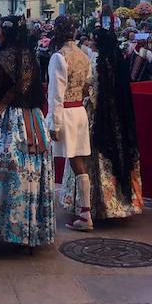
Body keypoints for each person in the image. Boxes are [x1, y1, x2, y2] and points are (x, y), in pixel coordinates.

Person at [0, 15, 54, 247]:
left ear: (6, 32)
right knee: (32, 172)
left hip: (5, 120)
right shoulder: (33, 58)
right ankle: (28, 228)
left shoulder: (2, 57)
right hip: (32, 121)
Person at [62, 27, 143, 222]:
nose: (91, 43)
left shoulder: (99, 62)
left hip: (98, 116)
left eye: (93, 40)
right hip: (117, 118)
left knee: (90, 157)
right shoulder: (117, 61)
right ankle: (122, 202)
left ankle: (98, 204)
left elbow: (94, 91)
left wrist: (84, 95)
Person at [47, 15, 94, 231]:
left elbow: (55, 94)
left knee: (48, 159)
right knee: (78, 161)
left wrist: (53, 123)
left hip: (64, 111)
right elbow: (88, 86)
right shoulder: (84, 55)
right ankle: (85, 212)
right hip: (79, 111)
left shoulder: (59, 56)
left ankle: (43, 208)